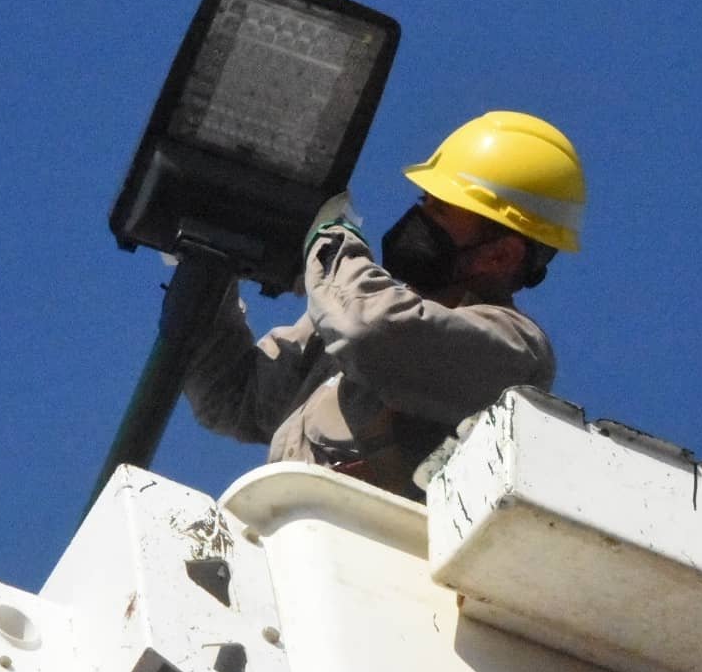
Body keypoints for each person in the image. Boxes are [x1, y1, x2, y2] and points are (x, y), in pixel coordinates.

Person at [183, 111, 585, 499]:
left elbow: (368, 329)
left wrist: (328, 238)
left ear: (500, 256)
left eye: (440, 210)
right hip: (294, 540)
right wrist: (210, 269)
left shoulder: (515, 350)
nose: (419, 217)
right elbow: (234, 399)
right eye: (424, 201)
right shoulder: (357, 310)